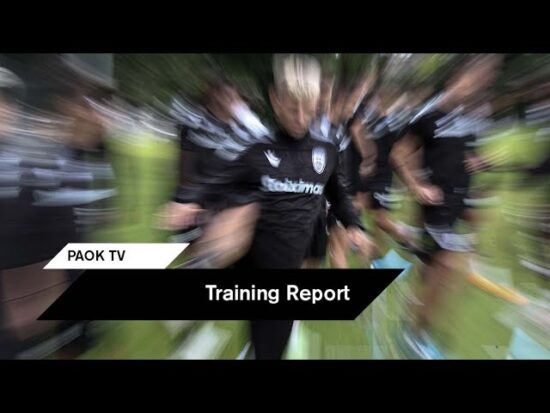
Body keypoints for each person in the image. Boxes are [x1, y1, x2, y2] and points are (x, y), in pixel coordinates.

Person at [162, 55, 372, 359]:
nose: (300, 116)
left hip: (287, 268)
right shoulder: (259, 152)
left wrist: (355, 225)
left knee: (269, 346)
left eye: (307, 107)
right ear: (276, 100)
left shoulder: (325, 153)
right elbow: (218, 180)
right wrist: (185, 201)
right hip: (254, 261)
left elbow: (338, 195)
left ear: (317, 104)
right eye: (292, 107)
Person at [390, 55, 503, 355]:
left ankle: (417, 308)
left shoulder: (469, 116)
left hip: (458, 202)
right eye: (472, 79)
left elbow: (462, 154)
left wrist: (477, 162)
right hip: (435, 205)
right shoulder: (429, 114)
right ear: (455, 79)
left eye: (482, 81)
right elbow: (399, 153)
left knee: (435, 269)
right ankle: (414, 333)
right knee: (449, 267)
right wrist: (417, 186)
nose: (475, 87)